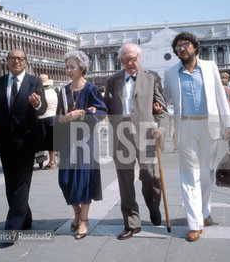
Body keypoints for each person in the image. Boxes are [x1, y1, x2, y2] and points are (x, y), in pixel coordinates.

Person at [164, 32, 230, 242]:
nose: (181, 49)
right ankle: (195, 223)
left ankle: (204, 211)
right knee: (189, 175)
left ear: (195, 46)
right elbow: (165, 99)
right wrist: (163, 109)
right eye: (177, 47)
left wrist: (228, 125)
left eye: (185, 45)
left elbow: (221, 97)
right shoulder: (170, 73)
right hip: (185, 126)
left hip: (209, 125)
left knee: (206, 173)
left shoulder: (210, 67)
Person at [104, 43, 167, 240]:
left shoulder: (152, 77)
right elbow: (105, 107)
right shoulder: (112, 80)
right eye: (125, 60)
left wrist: (161, 127)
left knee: (151, 177)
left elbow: (162, 109)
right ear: (120, 61)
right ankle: (132, 222)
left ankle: (154, 207)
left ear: (139, 58)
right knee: (125, 181)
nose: (130, 63)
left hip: (146, 135)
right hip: (120, 136)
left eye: (133, 59)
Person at [0, 49, 47, 243]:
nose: (16, 61)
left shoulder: (34, 82)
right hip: (5, 142)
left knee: (22, 184)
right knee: (10, 184)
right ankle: (26, 218)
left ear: (26, 62)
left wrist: (37, 104)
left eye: (20, 59)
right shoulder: (0, 82)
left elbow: (43, 108)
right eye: (13, 58)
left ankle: (12, 228)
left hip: (26, 142)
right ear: (7, 62)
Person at [56, 50, 107, 240]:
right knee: (65, 180)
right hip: (67, 141)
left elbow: (101, 112)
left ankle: (84, 220)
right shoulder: (63, 90)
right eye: (67, 67)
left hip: (86, 141)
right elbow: (58, 116)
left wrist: (83, 113)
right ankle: (76, 212)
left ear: (82, 68)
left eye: (72, 67)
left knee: (84, 180)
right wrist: (63, 118)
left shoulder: (91, 89)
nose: (68, 70)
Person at [36, 74, 58, 170]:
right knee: (51, 140)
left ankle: (46, 160)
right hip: (53, 116)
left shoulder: (40, 93)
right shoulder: (53, 91)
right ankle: (52, 160)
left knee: (42, 140)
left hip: (43, 118)